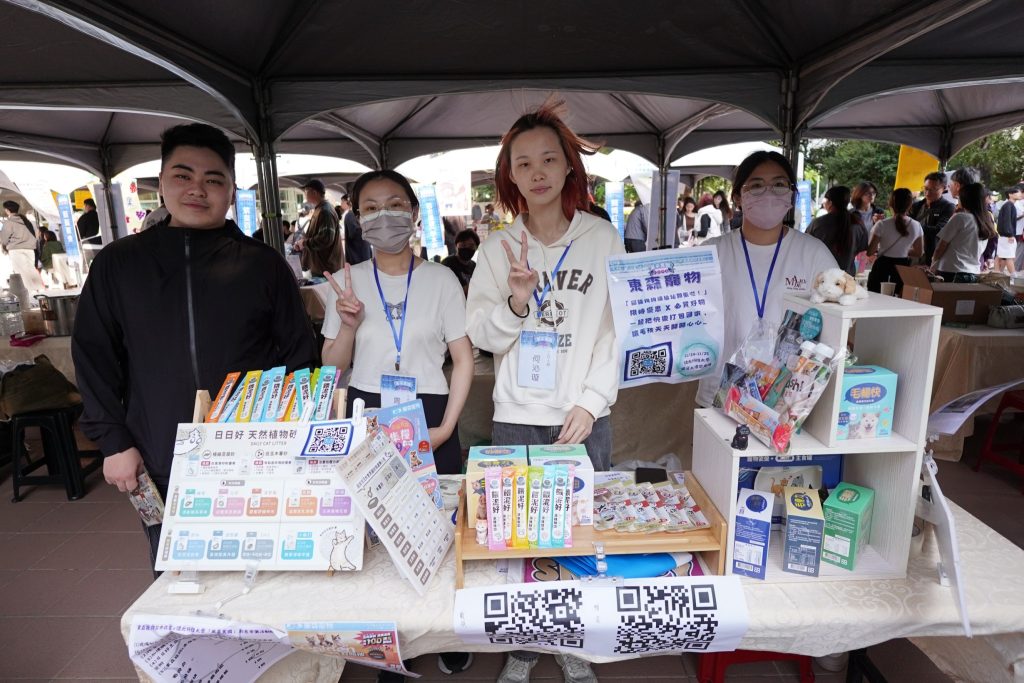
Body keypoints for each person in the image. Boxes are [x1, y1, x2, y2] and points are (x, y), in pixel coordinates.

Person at [71, 123, 319, 570]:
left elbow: (300, 358)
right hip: (158, 455)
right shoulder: (119, 264)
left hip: (252, 456)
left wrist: (294, 440)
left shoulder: (263, 264)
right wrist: (113, 442)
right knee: (177, 577)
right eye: (183, 175)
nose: (197, 189)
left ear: (231, 191)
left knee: (262, 572)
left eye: (213, 179)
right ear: (162, 182)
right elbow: (94, 357)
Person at [467, 102, 622, 683]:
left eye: (549, 159)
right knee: (519, 532)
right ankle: (526, 644)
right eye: (523, 163)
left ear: (568, 167)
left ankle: (573, 640)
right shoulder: (496, 248)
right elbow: (481, 335)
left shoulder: (602, 238)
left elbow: (616, 331)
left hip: (582, 416)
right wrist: (516, 300)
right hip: (517, 413)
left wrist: (591, 401)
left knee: (580, 531)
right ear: (509, 174)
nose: (537, 172)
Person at [320, 169, 473, 476]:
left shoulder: (442, 279)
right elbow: (332, 369)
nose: (384, 215)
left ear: (413, 212)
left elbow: (463, 360)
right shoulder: (346, 282)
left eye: (394, 205)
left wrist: (445, 428)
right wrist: (349, 325)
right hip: (366, 407)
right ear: (359, 218)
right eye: (372, 208)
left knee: (439, 502)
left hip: (430, 409)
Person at [695, 151, 838, 408]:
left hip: (787, 400)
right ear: (737, 196)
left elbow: (837, 324)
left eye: (779, 184)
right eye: (757, 185)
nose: (769, 193)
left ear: (791, 194)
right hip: (719, 392)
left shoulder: (814, 253)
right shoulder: (711, 252)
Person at [931, 182, 997, 283]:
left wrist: (933, 264)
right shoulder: (986, 220)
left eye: (959, 197)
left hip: (951, 271)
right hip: (973, 273)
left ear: (965, 199)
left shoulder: (960, 218)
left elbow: (941, 246)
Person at [866, 188, 923, 293]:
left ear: (891, 204)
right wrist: (902, 249)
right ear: (910, 205)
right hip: (903, 268)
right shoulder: (916, 225)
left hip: (882, 266)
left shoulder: (882, 224)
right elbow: (919, 252)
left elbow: (870, 251)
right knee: (897, 298)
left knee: (876, 297)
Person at [806, 186, 869, 276]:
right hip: (846, 277)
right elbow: (862, 248)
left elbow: (806, 246)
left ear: (830, 203)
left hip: (821, 276)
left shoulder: (818, 223)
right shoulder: (858, 223)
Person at [910, 171, 955, 264]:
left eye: (933, 189)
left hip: (932, 256)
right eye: (926, 188)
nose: (927, 193)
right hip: (912, 252)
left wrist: (914, 227)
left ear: (944, 188)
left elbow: (939, 230)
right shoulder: (916, 205)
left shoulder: (948, 207)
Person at [299, 179, 341, 275]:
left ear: (314, 192)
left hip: (326, 269)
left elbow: (325, 239)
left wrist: (304, 243)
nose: (305, 195)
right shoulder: (321, 209)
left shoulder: (325, 211)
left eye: (306, 192)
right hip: (322, 268)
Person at [1, 200, 45, 293]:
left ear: (7, 210)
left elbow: (4, 239)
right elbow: (36, 234)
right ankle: (40, 288)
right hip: (30, 249)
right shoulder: (26, 221)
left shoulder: (9, 222)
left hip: (16, 250)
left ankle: (29, 291)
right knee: (31, 269)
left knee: (21, 272)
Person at [993, 185, 1021, 275]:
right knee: (1009, 257)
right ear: (1010, 194)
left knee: (1001, 256)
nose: (1020, 194)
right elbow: (1007, 221)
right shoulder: (1009, 205)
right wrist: (1010, 234)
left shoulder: (1008, 205)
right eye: (1017, 192)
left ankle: (998, 273)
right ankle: (1013, 275)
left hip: (1005, 235)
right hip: (1007, 236)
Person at [441, 228, 480, 294]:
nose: (467, 248)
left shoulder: (474, 266)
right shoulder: (447, 264)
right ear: (456, 246)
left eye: (471, 246)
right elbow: (450, 291)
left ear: (476, 248)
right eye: (463, 245)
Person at [341, 193, 371, 265]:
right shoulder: (353, 214)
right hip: (361, 255)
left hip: (359, 255)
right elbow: (356, 233)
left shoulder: (351, 214)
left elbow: (355, 234)